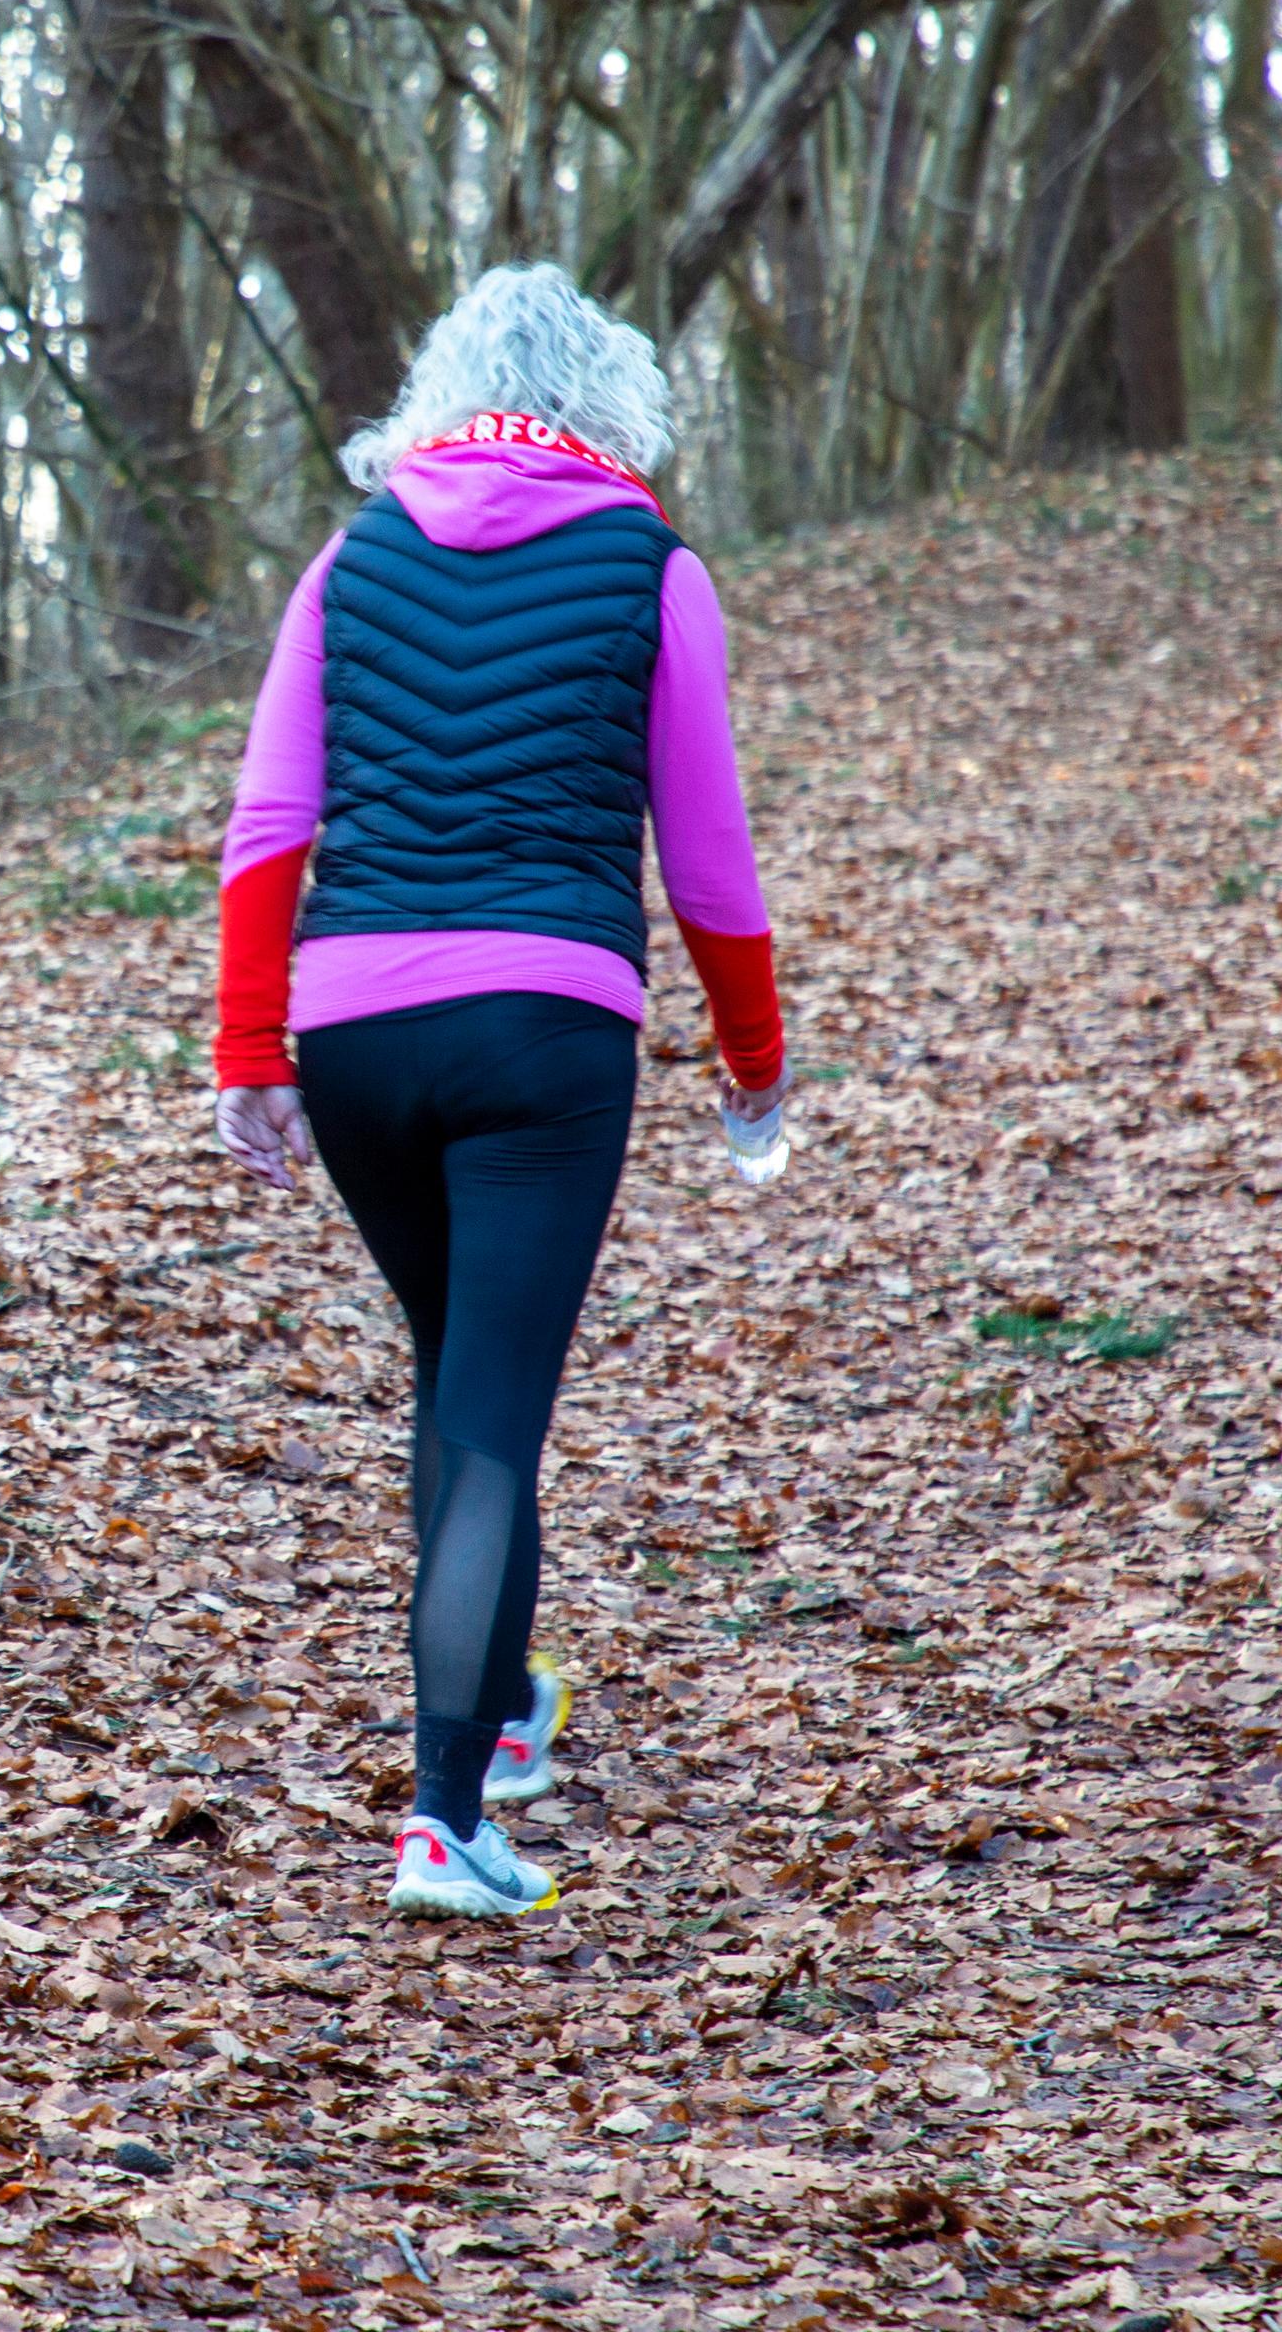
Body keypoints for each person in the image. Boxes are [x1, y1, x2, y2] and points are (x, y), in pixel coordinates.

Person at [209, 263, 789, 1920]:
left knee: (465, 1384)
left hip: (357, 1033)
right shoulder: (649, 563)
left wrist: (253, 1054)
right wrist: (753, 1059)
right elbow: (712, 860)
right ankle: (445, 1815)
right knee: (490, 1418)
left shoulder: (353, 554)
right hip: (542, 1035)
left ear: (441, 388)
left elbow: (268, 829)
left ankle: (503, 1715)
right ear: (610, 401)